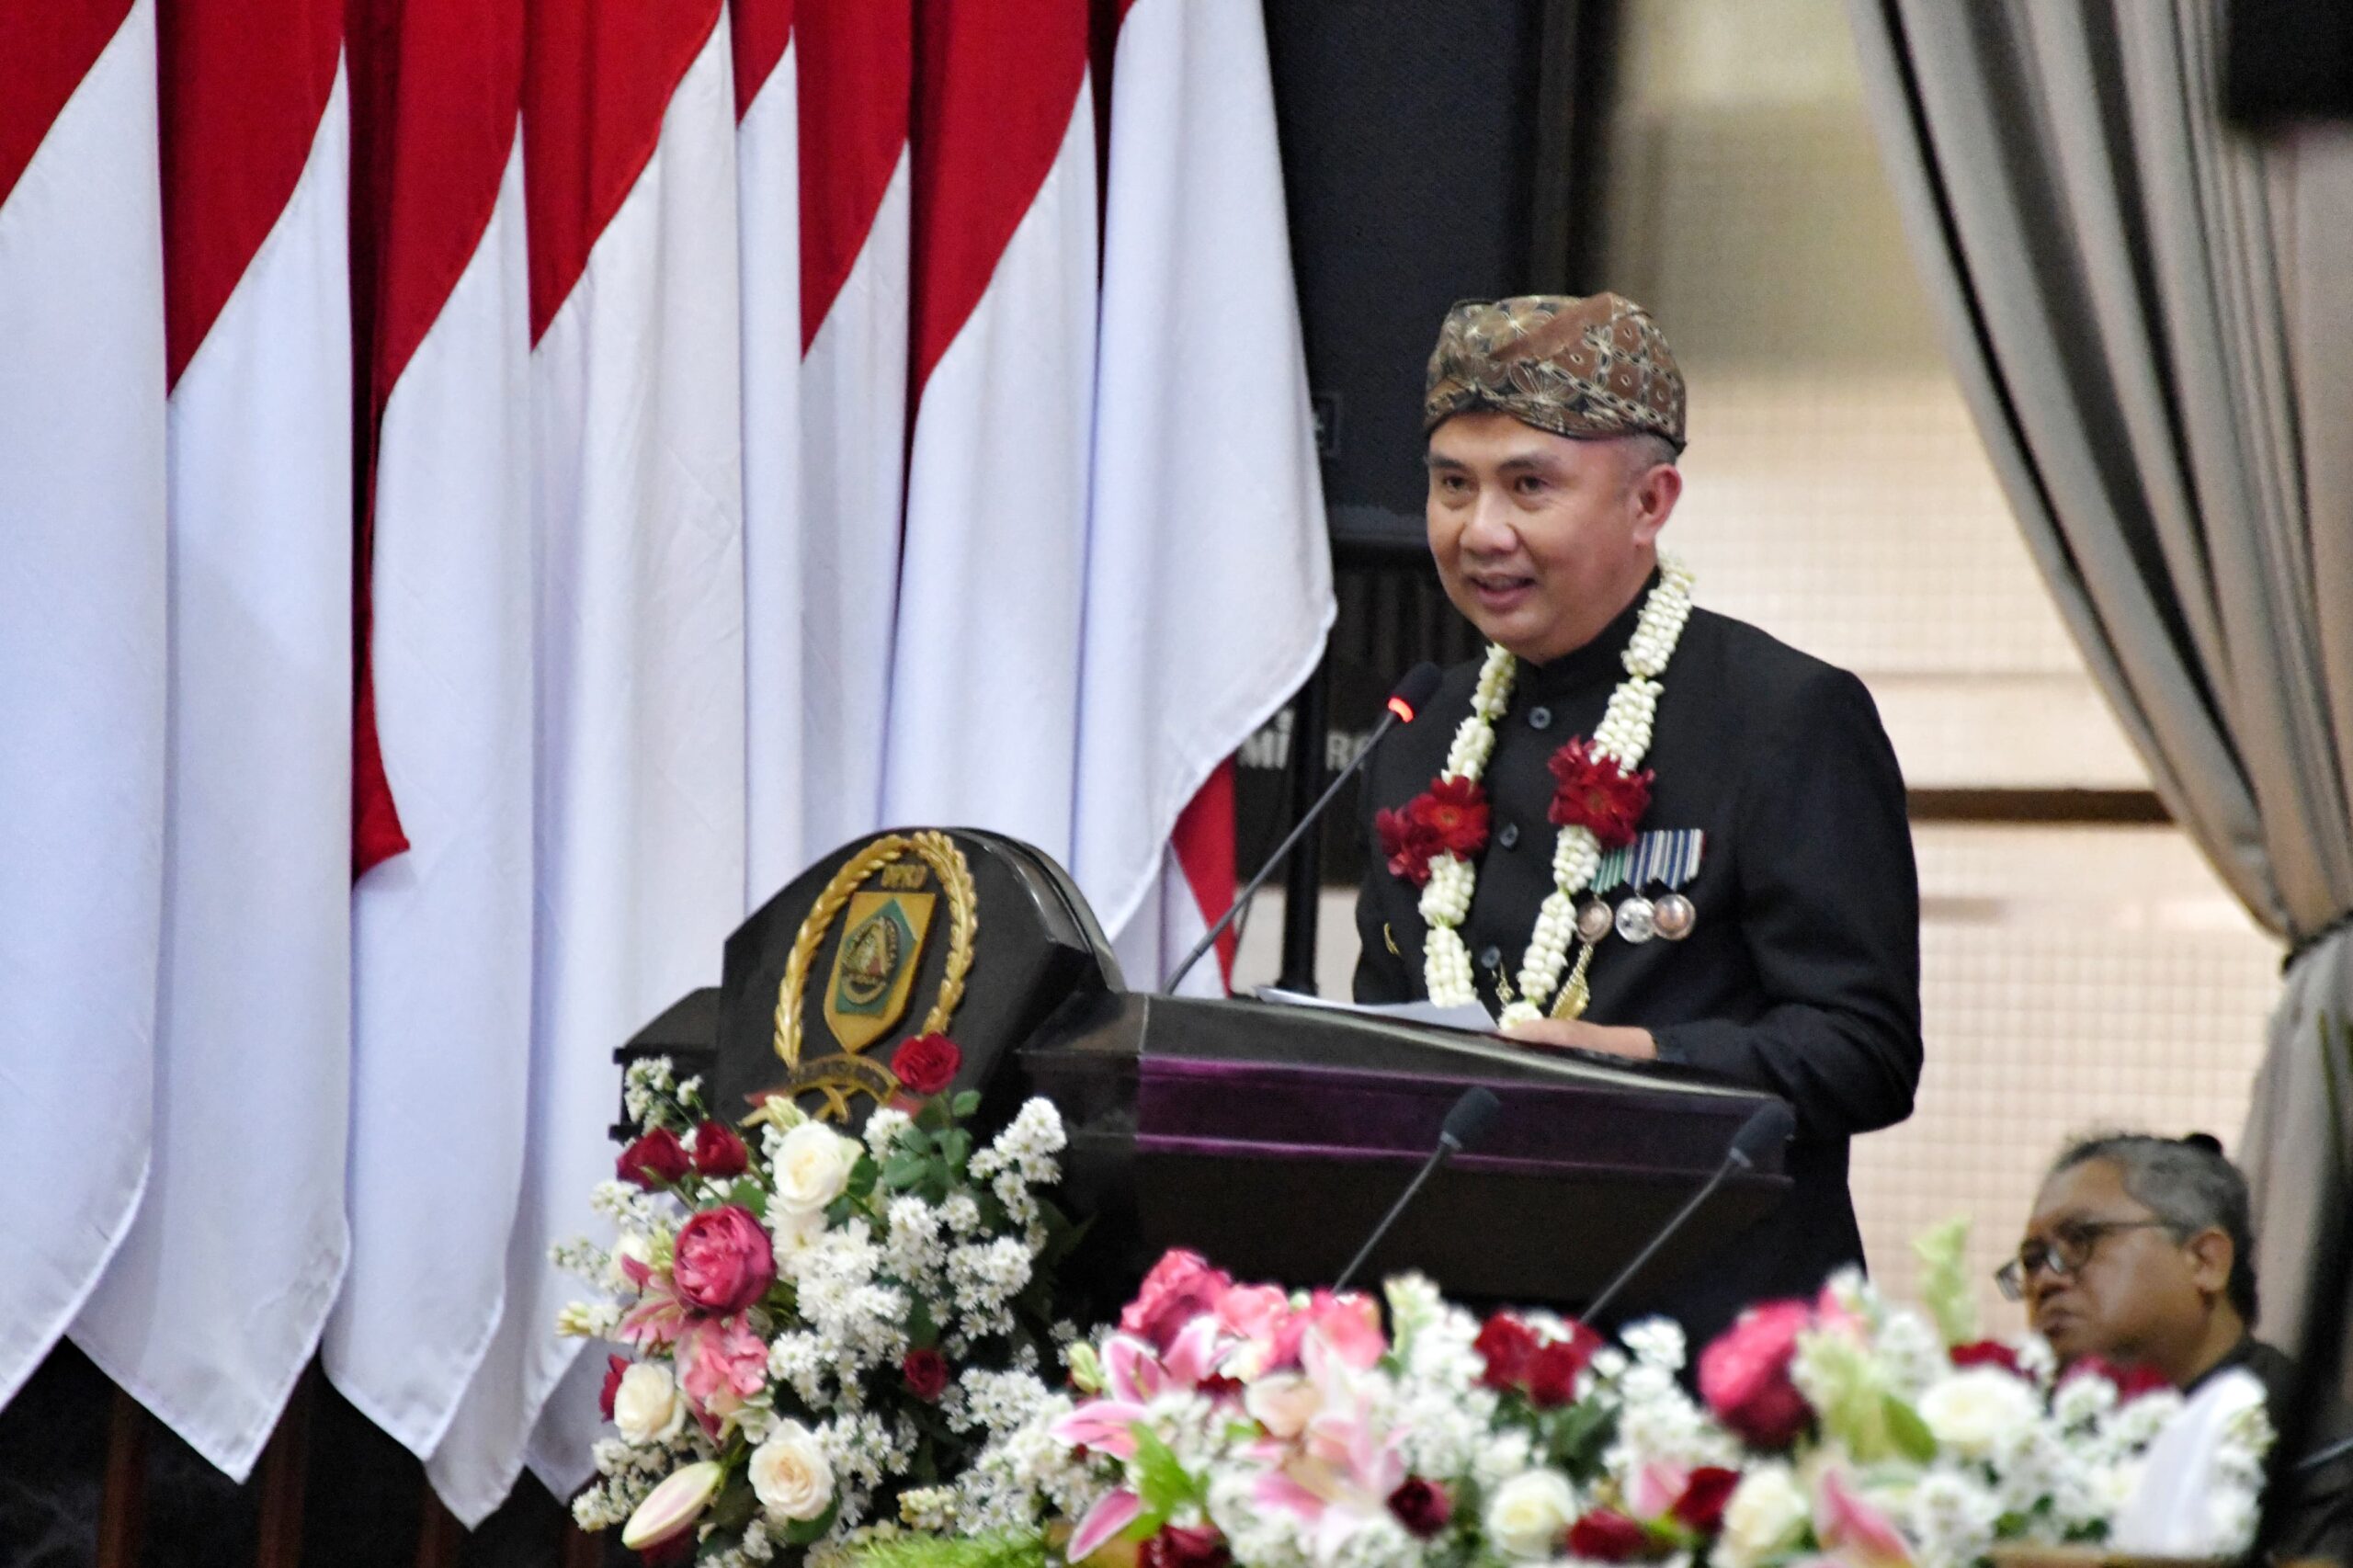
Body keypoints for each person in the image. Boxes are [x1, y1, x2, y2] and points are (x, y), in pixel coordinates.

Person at [1352, 292, 1922, 1341]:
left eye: (1529, 485)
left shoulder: (1783, 716)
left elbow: (1864, 1052)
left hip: (1711, 1347)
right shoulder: (1421, 731)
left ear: (1649, 501)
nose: (1481, 531)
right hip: (1458, 1343)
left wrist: (1637, 1060)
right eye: (1451, 485)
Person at [2006, 1131, 2353, 1564]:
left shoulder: (2318, 1454)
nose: (2045, 1281)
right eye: (2033, 1260)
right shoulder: (2027, 1447)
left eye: (2081, 1241)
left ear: (2205, 1261)